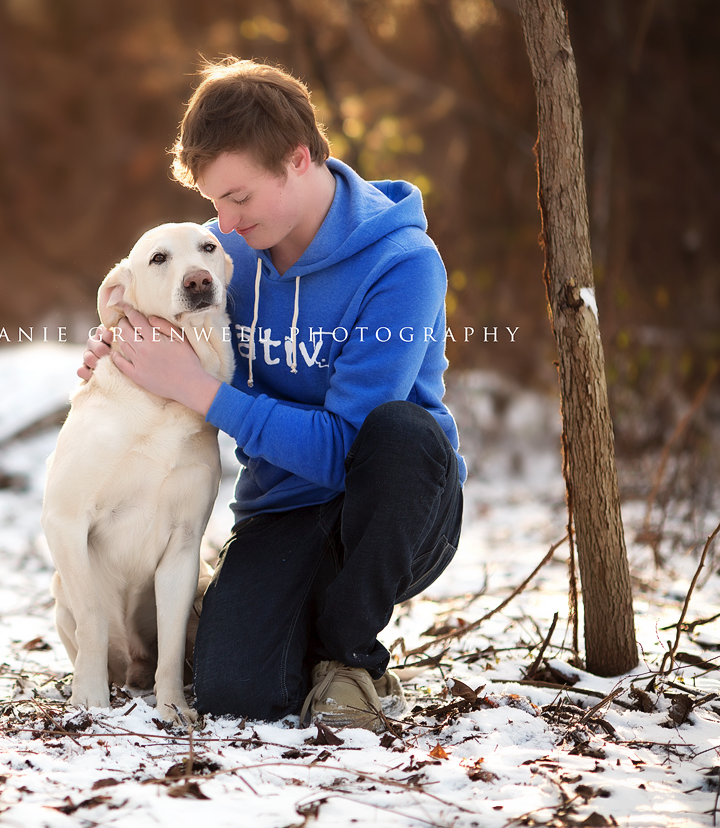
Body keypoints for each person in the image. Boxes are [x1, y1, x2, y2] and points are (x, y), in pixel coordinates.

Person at [77, 58, 465, 729]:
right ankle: (293, 626)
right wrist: (125, 350)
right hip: (283, 508)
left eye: (239, 198)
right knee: (236, 694)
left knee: (401, 430)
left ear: (299, 159)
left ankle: (352, 657)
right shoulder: (229, 256)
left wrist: (199, 390)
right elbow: (165, 324)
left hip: (393, 509)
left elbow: (346, 448)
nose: (223, 224)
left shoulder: (402, 263)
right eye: (214, 203)